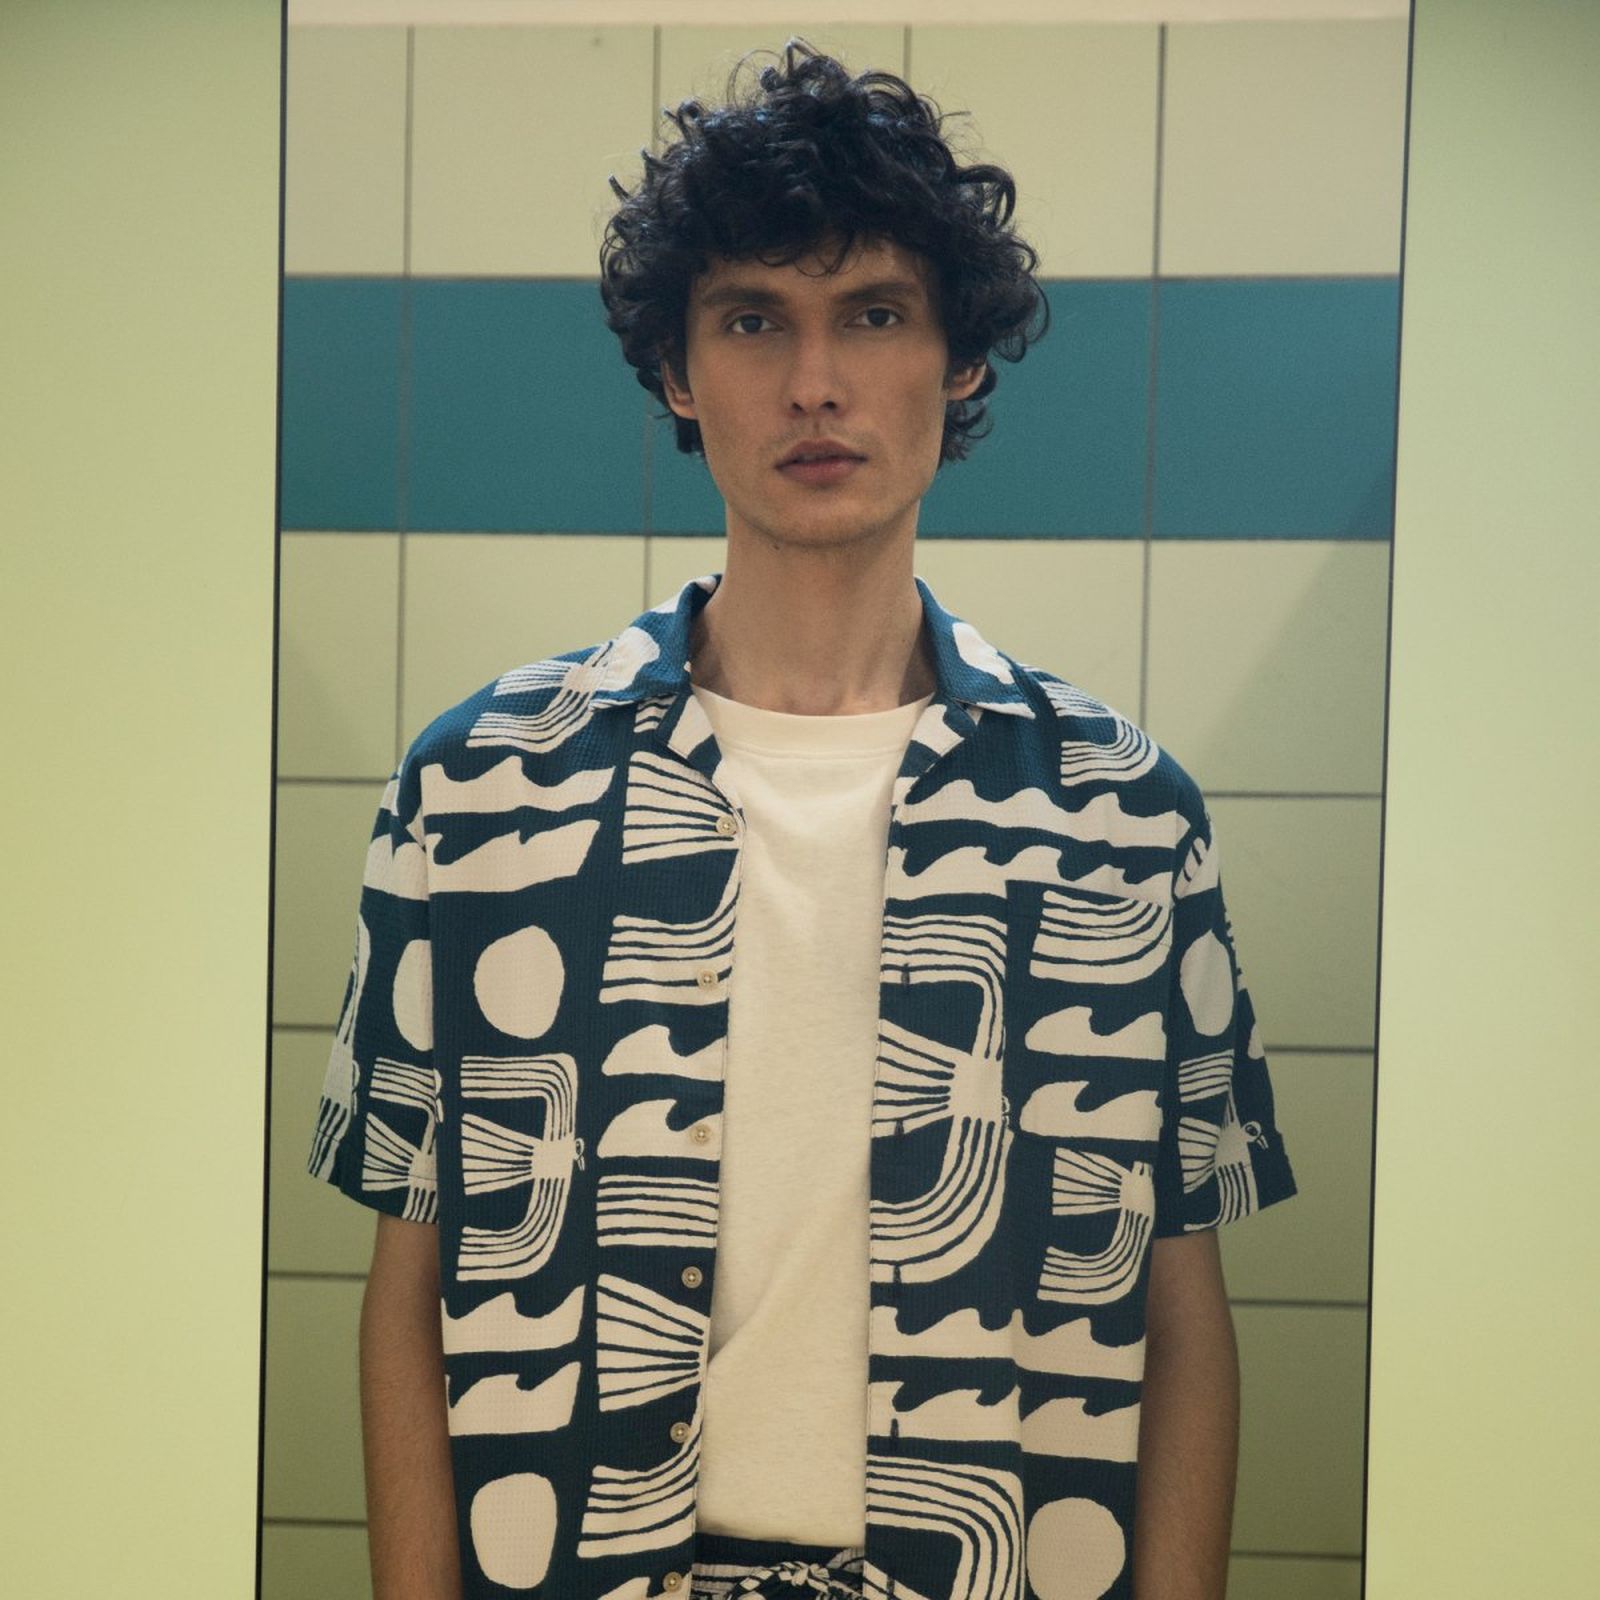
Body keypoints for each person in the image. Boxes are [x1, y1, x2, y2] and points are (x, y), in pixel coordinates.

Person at [307, 38, 1296, 1600]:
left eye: (875, 316)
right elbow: (407, 1297)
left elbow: (1181, 1319)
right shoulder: (480, 792)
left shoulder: (1120, 817)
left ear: (959, 359)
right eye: (755, 320)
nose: (816, 383)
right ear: (679, 374)